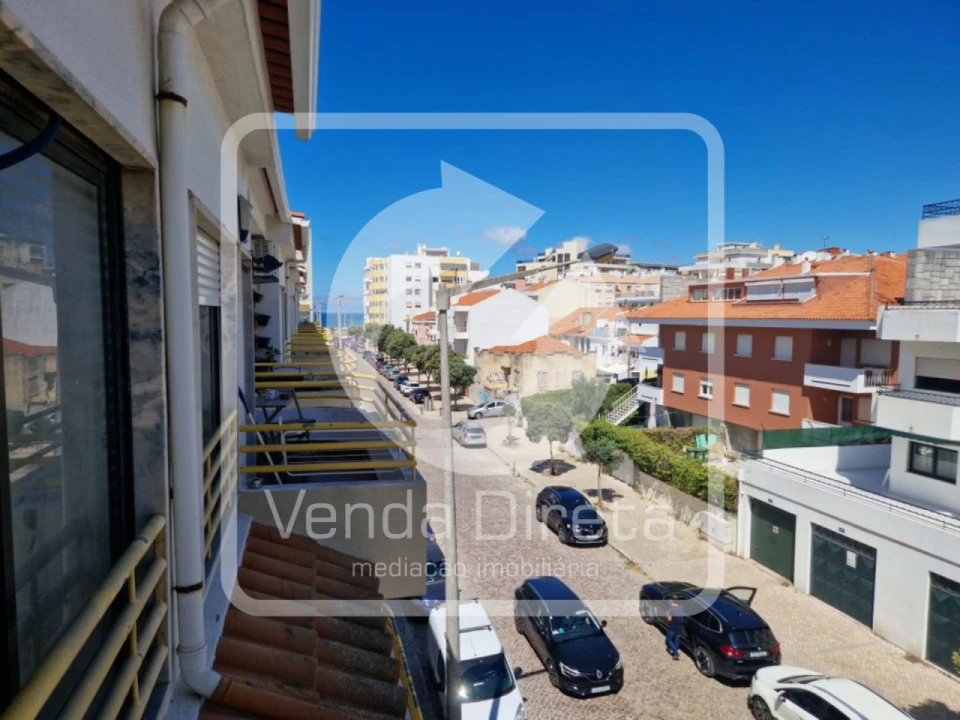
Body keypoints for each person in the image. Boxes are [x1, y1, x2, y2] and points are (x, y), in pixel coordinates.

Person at [665, 595, 683, 661]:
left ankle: (676, 653)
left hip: (672, 628)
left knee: (669, 640)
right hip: (679, 628)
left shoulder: (671, 609)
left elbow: (669, 619)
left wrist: (667, 614)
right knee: (676, 641)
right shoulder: (680, 608)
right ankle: (675, 654)